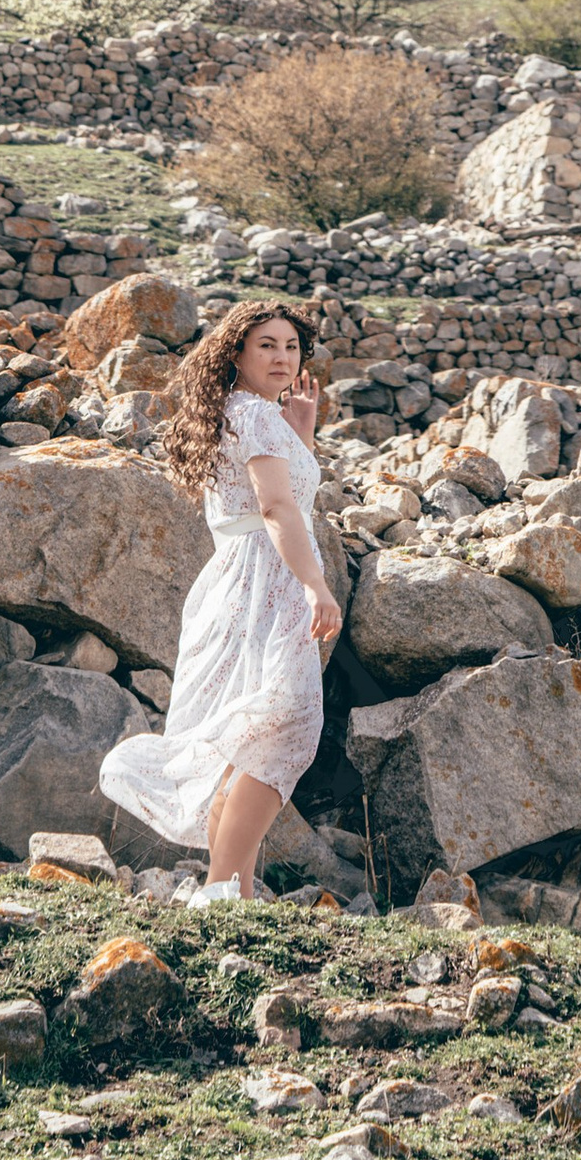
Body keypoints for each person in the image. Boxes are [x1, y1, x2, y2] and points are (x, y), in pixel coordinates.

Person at [98, 299, 342, 902]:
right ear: (236, 351)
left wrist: (300, 433)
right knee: (287, 726)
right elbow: (276, 509)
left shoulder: (245, 413)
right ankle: (226, 887)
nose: (283, 356)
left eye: (291, 346)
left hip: (239, 582)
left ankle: (230, 890)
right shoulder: (255, 416)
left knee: (254, 736)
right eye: (267, 345)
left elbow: (274, 498)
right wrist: (316, 586)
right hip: (270, 582)